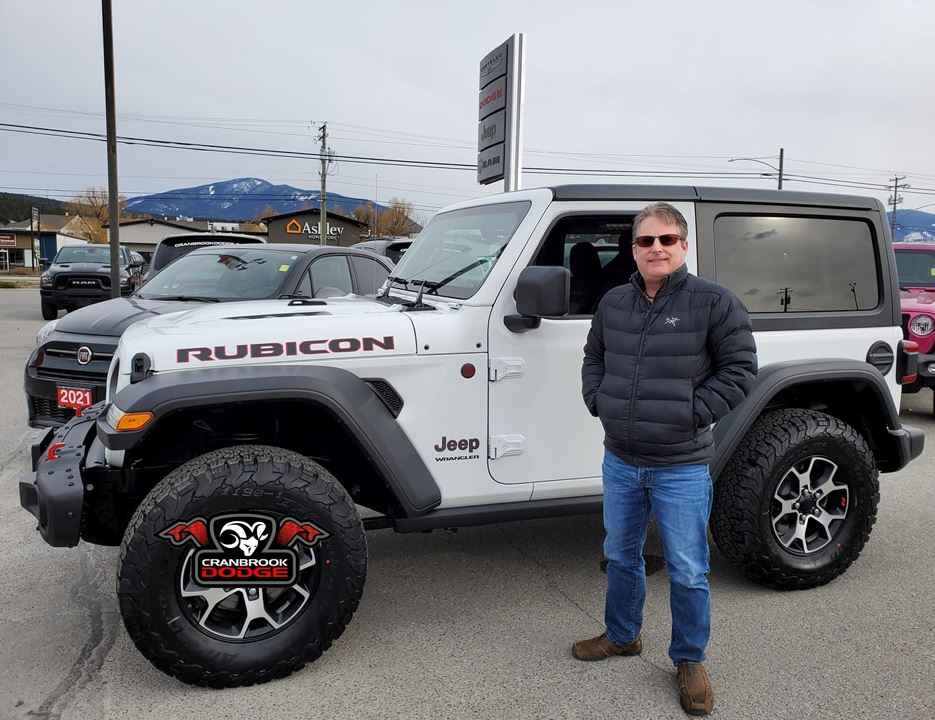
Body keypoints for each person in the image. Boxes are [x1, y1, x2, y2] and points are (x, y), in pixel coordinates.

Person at [575, 202, 757, 716]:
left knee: (687, 568)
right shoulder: (613, 302)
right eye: (646, 241)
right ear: (632, 249)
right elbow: (594, 356)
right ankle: (622, 635)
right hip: (622, 459)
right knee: (621, 554)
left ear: (683, 245)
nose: (657, 248)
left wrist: (692, 413)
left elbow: (741, 370)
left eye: (667, 240)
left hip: (681, 463)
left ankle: (690, 660)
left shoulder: (714, 303)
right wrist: (598, 399)